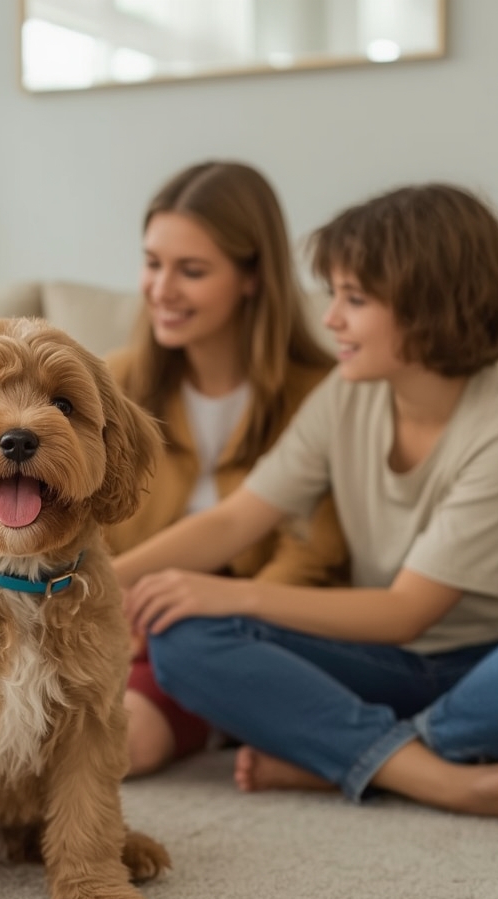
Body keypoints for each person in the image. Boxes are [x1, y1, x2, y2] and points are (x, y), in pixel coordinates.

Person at [116, 183, 498, 823]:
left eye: (354, 299)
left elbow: (407, 612)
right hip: (380, 664)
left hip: (488, 661)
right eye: (333, 293)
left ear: (430, 308)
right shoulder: (348, 392)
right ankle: (426, 767)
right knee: (185, 637)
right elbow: (237, 518)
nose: (330, 317)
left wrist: (234, 592)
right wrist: (101, 581)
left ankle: (359, 757)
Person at [105, 161, 348, 776]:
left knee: (113, 750)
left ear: (252, 277)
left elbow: (314, 556)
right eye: (153, 262)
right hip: (116, 622)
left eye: (191, 271)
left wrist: (217, 611)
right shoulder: (111, 383)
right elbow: (81, 527)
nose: (162, 289)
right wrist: (109, 611)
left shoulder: (322, 393)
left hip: (243, 635)